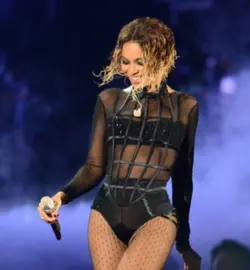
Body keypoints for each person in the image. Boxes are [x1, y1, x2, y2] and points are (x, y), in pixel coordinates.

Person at [37, 17, 201, 270]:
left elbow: (182, 180)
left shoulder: (185, 106)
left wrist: (184, 244)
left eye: (140, 62)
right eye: (125, 62)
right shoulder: (109, 100)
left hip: (155, 216)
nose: (131, 70)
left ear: (161, 58)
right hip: (105, 214)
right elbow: (94, 167)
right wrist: (60, 197)